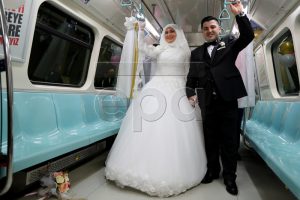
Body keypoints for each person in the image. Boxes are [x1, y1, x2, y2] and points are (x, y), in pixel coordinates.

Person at [105, 23, 207, 197]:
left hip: (177, 90)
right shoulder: (159, 49)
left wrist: (190, 93)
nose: (168, 34)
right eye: (166, 31)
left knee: (173, 129)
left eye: (172, 31)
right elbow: (143, 48)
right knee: (144, 127)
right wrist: (140, 31)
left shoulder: (184, 52)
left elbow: (188, 73)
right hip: (155, 88)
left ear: (178, 33)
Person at [186, 1, 254, 195]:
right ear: (202, 31)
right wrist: (190, 93)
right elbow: (192, 76)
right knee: (210, 140)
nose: (209, 30)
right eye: (206, 28)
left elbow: (248, 35)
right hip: (207, 102)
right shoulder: (196, 53)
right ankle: (213, 171)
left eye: (213, 27)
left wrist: (240, 14)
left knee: (230, 141)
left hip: (228, 100)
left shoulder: (230, 42)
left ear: (219, 28)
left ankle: (230, 177)